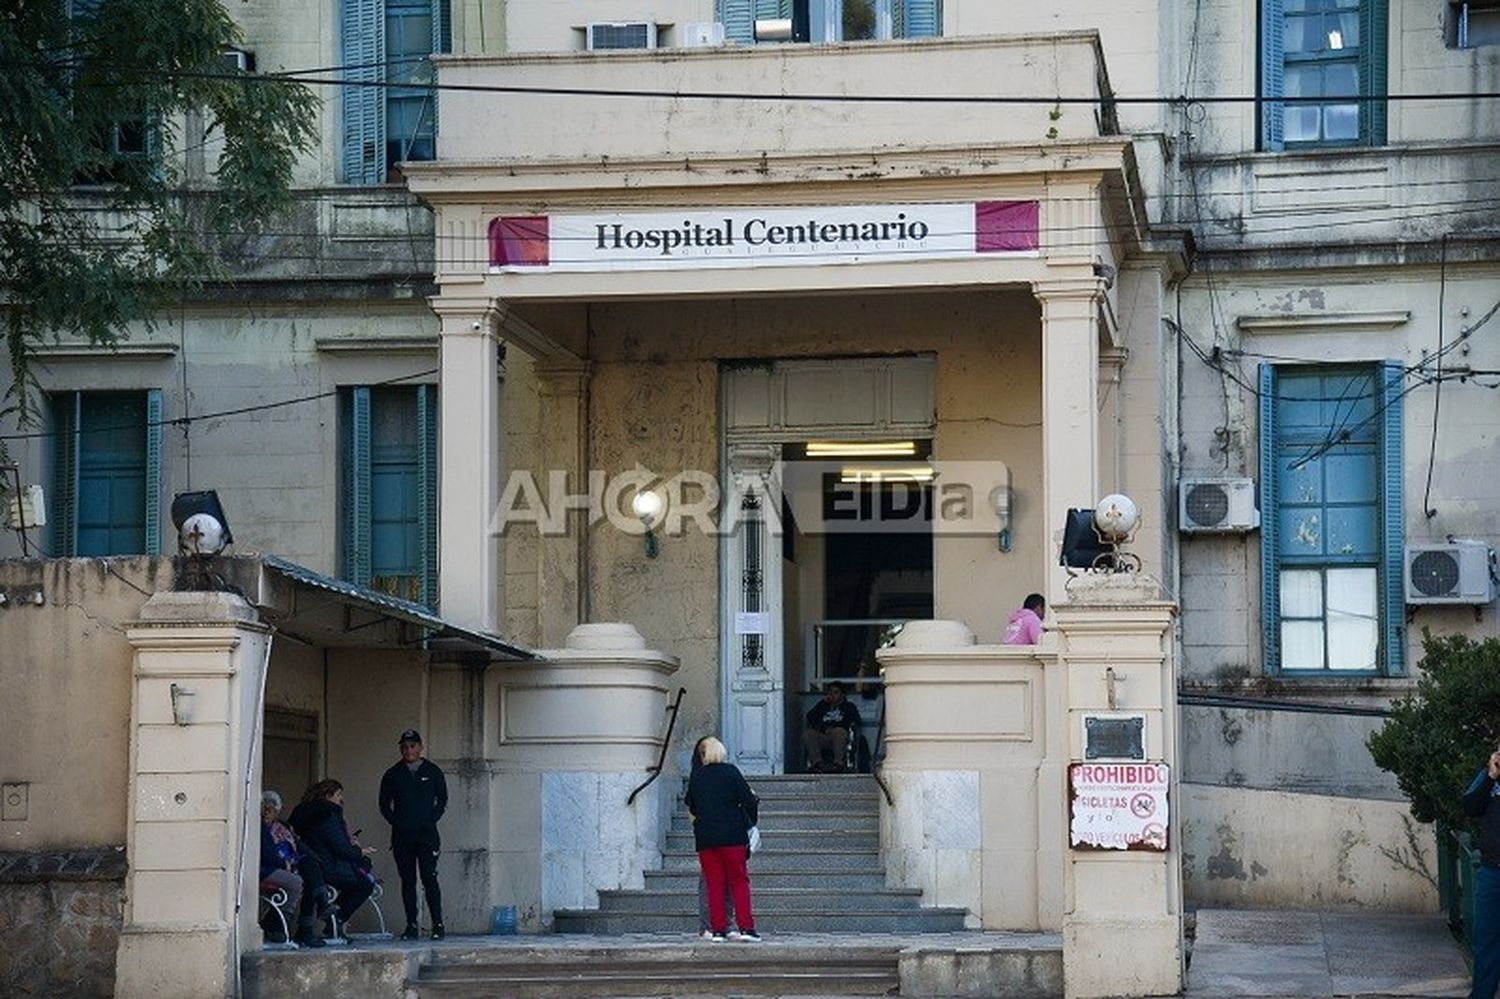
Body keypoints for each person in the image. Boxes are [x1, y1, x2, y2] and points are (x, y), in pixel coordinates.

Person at [684, 736, 759, 942]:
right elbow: (748, 799)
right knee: (739, 882)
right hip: (732, 837)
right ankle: (746, 928)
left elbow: (692, 806)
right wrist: (751, 819)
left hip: (707, 839)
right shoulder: (731, 772)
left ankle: (718, 930)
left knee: (714, 884)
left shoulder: (697, 777)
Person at [378, 728, 448, 941]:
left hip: (427, 835)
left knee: (429, 878)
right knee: (407, 880)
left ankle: (437, 924)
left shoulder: (433, 771)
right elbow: (383, 804)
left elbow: (443, 799)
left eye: (412, 746)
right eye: (405, 747)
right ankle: (411, 924)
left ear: (420, 747)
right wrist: (398, 822)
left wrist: (430, 819)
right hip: (403, 837)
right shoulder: (392, 774)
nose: (408, 750)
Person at [289, 779, 375, 942]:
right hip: (329, 865)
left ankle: (316, 926)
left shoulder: (303, 811)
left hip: (312, 863)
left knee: (312, 887)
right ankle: (336, 920)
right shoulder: (327, 814)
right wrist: (359, 851)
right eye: (338, 795)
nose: (341, 799)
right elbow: (339, 846)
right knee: (365, 884)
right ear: (328, 796)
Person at [690, 736, 736, 939]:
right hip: (710, 836)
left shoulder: (724, 774)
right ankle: (708, 925)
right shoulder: (699, 777)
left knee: (726, 883)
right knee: (710, 882)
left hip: (722, 834)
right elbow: (692, 809)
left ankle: (725, 924)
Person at [1464, 745, 1500, 999]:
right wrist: (1490, 777)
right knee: (1485, 940)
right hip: (1492, 871)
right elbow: (1469, 806)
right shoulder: (1488, 776)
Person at [803, 681, 861, 773]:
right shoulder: (823, 706)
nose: (832, 695)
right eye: (830, 692)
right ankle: (817, 764)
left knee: (838, 732)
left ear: (842, 695)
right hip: (824, 736)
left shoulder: (849, 706)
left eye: (836, 692)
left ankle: (838, 764)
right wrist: (822, 703)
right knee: (809, 734)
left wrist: (838, 726)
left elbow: (856, 721)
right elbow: (810, 717)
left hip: (841, 736)